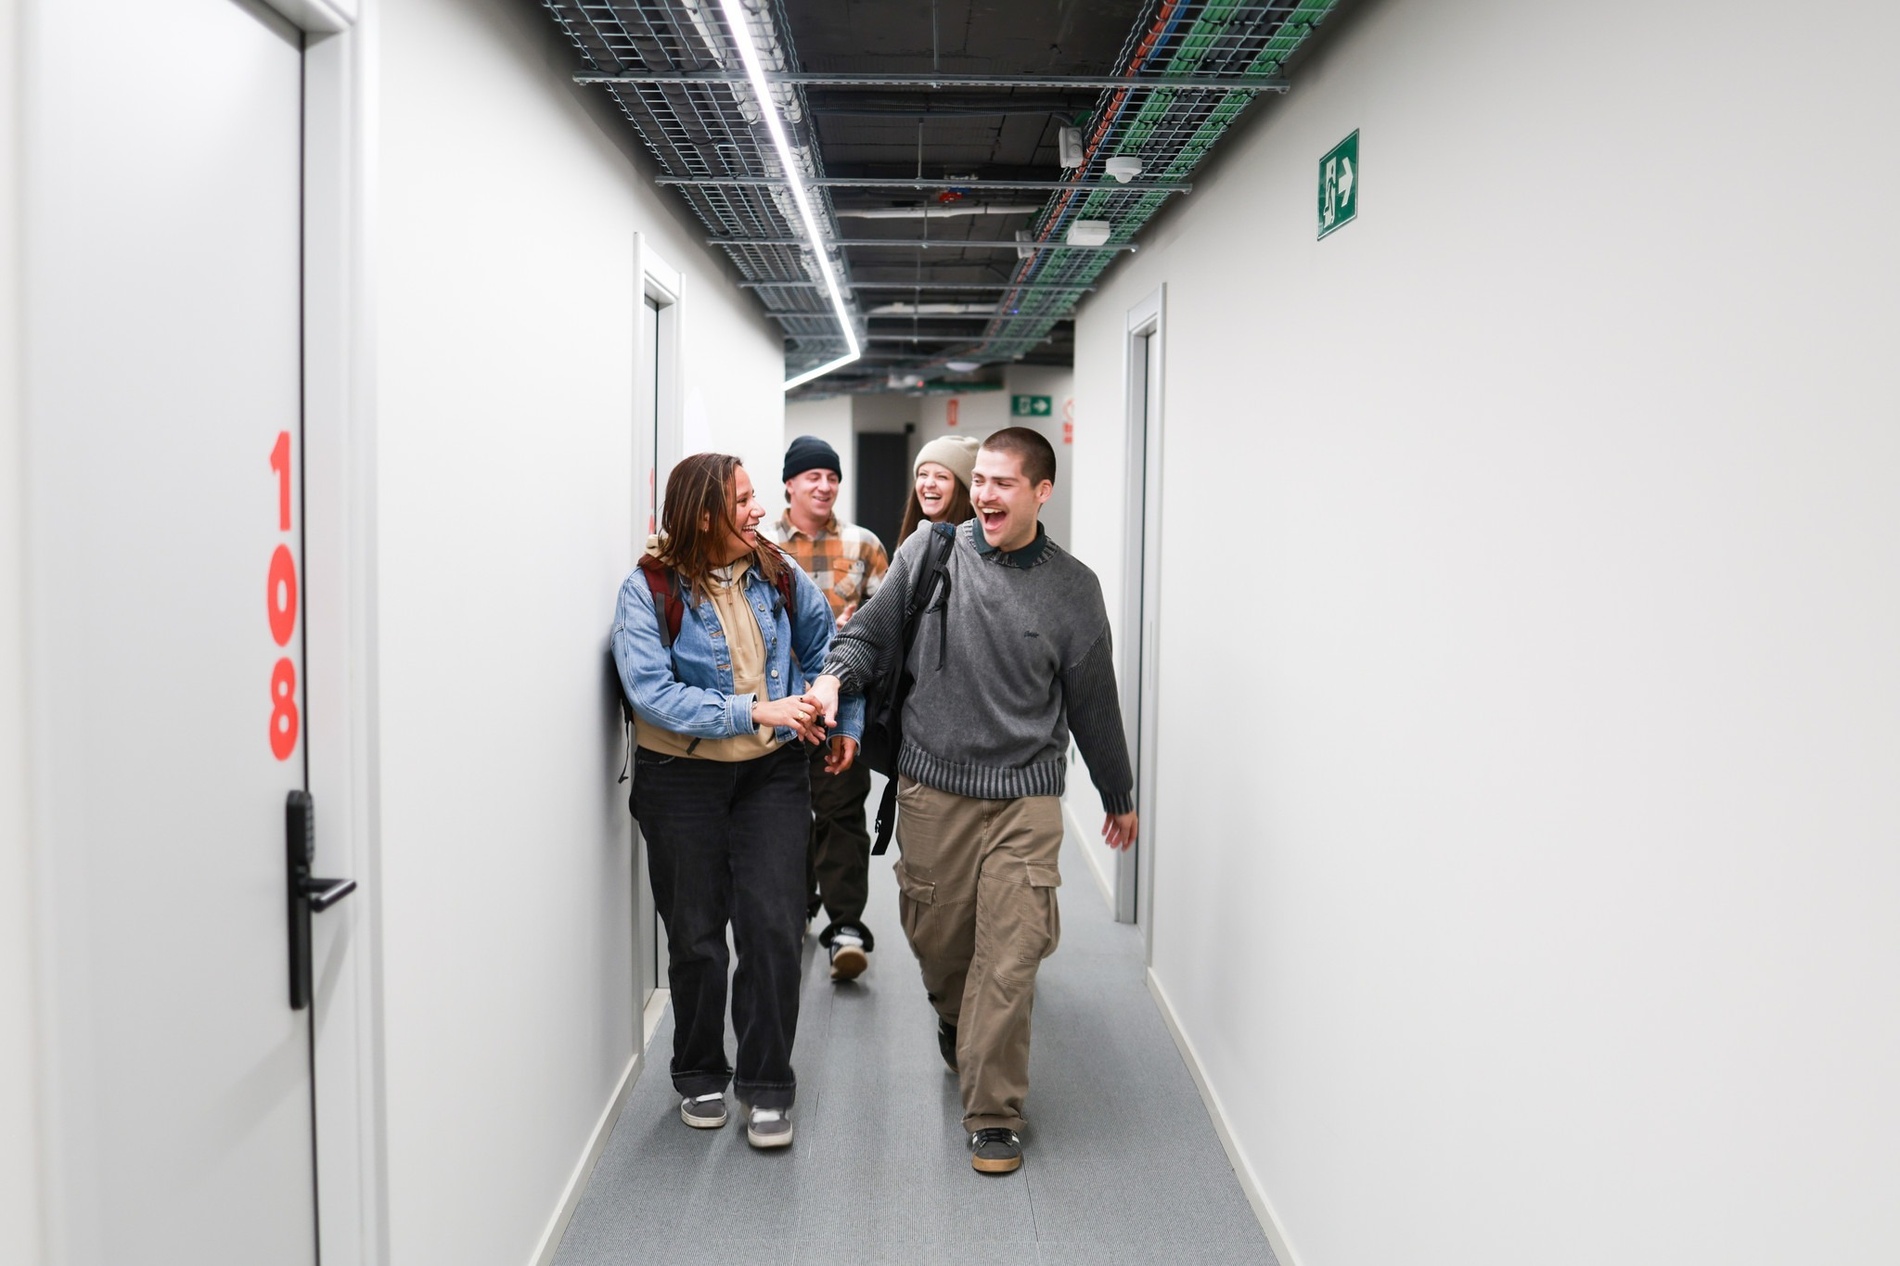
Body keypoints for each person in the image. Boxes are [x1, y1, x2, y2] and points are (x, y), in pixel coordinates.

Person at [809, 427, 1138, 1176]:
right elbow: (870, 637)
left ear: (1041, 493)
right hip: (934, 790)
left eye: (1002, 483)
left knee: (1013, 954)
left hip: (1026, 796)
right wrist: (833, 677)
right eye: (979, 480)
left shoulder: (1073, 589)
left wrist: (1117, 792)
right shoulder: (931, 552)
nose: (983, 494)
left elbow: (1094, 702)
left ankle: (993, 1112)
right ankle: (956, 1019)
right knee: (939, 940)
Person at [612, 452, 862, 1150]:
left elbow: (829, 650)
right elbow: (651, 693)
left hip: (770, 777)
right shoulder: (647, 588)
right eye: (744, 501)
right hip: (679, 780)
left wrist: (841, 719)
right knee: (696, 936)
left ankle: (767, 1084)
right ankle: (698, 1070)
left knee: (774, 927)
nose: (759, 511)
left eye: (755, 497)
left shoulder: (776, 572)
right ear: (702, 517)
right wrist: (755, 710)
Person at [772, 434, 890, 981]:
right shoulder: (761, 545)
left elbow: (890, 624)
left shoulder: (864, 545)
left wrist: (858, 627)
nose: (825, 486)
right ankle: (797, 906)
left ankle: (846, 926)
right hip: (778, 711)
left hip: (842, 706)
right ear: (790, 484)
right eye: (813, 476)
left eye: (832, 477)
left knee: (842, 815)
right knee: (785, 816)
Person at [897, 433, 979, 540]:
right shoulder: (908, 541)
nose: (929, 484)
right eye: (923, 474)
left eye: (941, 477)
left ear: (963, 487)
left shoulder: (975, 546)